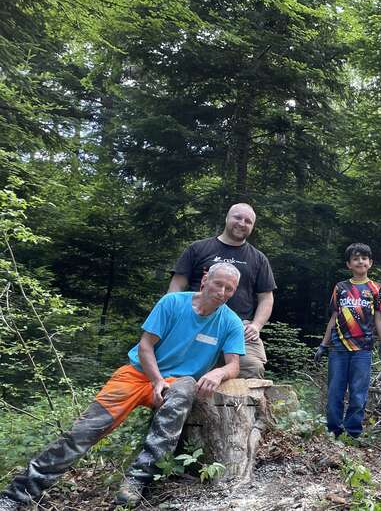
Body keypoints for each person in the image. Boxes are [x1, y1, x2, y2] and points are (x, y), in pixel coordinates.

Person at [0, 263, 245, 509]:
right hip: (137, 374)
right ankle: (16, 495)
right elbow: (145, 346)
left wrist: (219, 372)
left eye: (229, 289)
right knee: (84, 431)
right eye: (218, 284)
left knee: (186, 386)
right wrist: (156, 380)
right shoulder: (172, 303)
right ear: (205, 280)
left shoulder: (231, 321)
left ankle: (136, 482)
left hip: (176, 382)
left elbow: (233, 364)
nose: (222, 292)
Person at [170, 203, 276, 379]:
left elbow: (266, 298)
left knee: (252, 369)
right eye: (237, 217)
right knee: (181, 372)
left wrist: (257, 325)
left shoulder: (258, 258)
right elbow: (177, 286)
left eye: (248, 221)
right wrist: (176, 317)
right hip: (197, 323)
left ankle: (241, 407)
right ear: (227, 218)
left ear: (252, 226)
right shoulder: (198, 249)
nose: (242, 223)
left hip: (239, 329)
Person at [313, 243, 381, 438]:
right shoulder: (340, 287)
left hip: (363, 349)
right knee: (335, 392)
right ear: (349, 264)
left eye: (364, 258)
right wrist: (323, 345)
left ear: (370, 263)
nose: (360, 261)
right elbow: (333, 318)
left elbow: (379, 319)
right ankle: (334, 431)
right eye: (356, 258)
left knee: (358, 393)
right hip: (338, 348)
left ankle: (353, 432)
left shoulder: (377, 288)